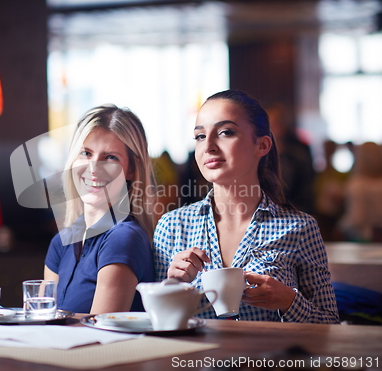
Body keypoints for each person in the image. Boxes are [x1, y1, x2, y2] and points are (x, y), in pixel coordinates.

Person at [154, 90, 339, 323]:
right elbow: (156, 323)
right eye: (200, 136)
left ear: (261, 145)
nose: (208, 146)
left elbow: (330, 325)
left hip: (271, 359)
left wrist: (289, 301)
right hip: (196, 359)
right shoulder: (172, 226)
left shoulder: (300, 228)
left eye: (225, 132)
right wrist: (172, 285)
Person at [44, 104, 156, 314]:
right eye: (86, 153)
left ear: (130, 169)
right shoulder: (61, 242)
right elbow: (41, 319)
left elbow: (98, 335)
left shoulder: (123, 238)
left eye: (111, 157)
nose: (94, 168)